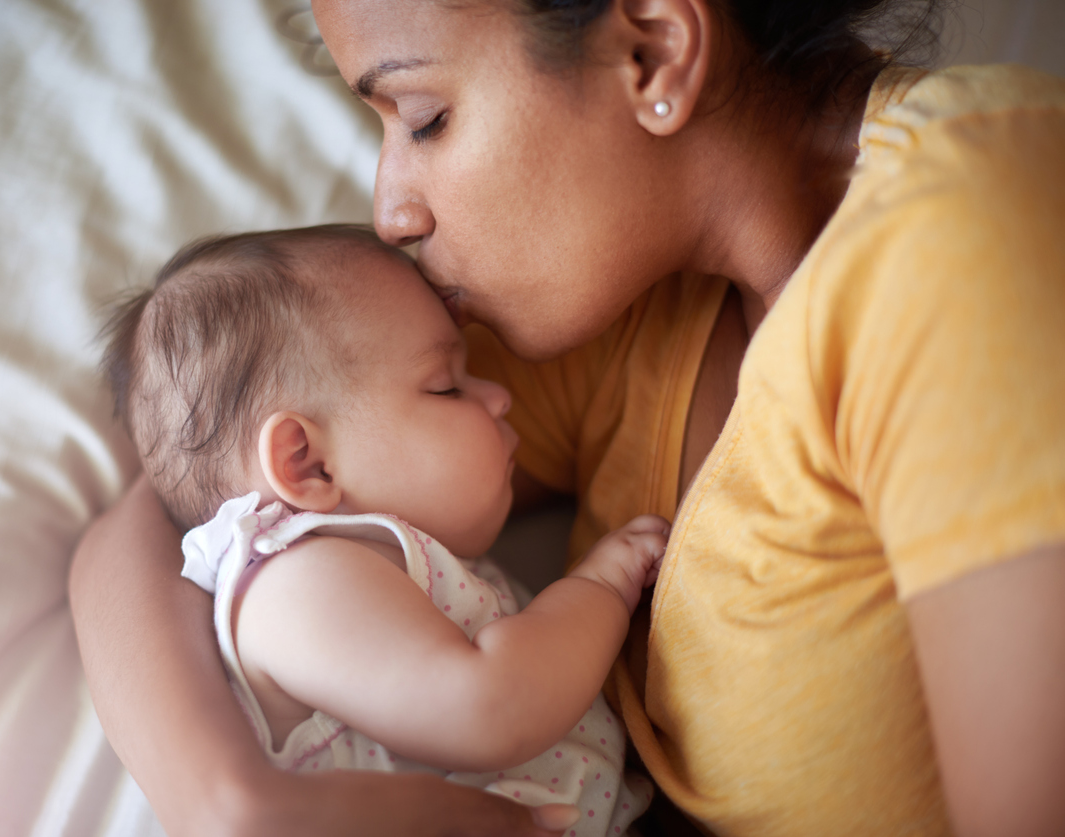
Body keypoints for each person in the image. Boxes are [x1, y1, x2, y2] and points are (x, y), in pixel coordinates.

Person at [69, 0, 1065, 835]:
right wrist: (238, 800)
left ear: (653, 51)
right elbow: (184, 499)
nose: (391, 211)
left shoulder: (958, 232)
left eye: (423, 116)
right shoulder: (625, 295)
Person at [98, 225, 660, 834]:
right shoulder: (294, 584)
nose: (498, 397)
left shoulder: (379, 565)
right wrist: (604, 586)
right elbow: (490, 706)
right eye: (447, 386)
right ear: (307, 464)